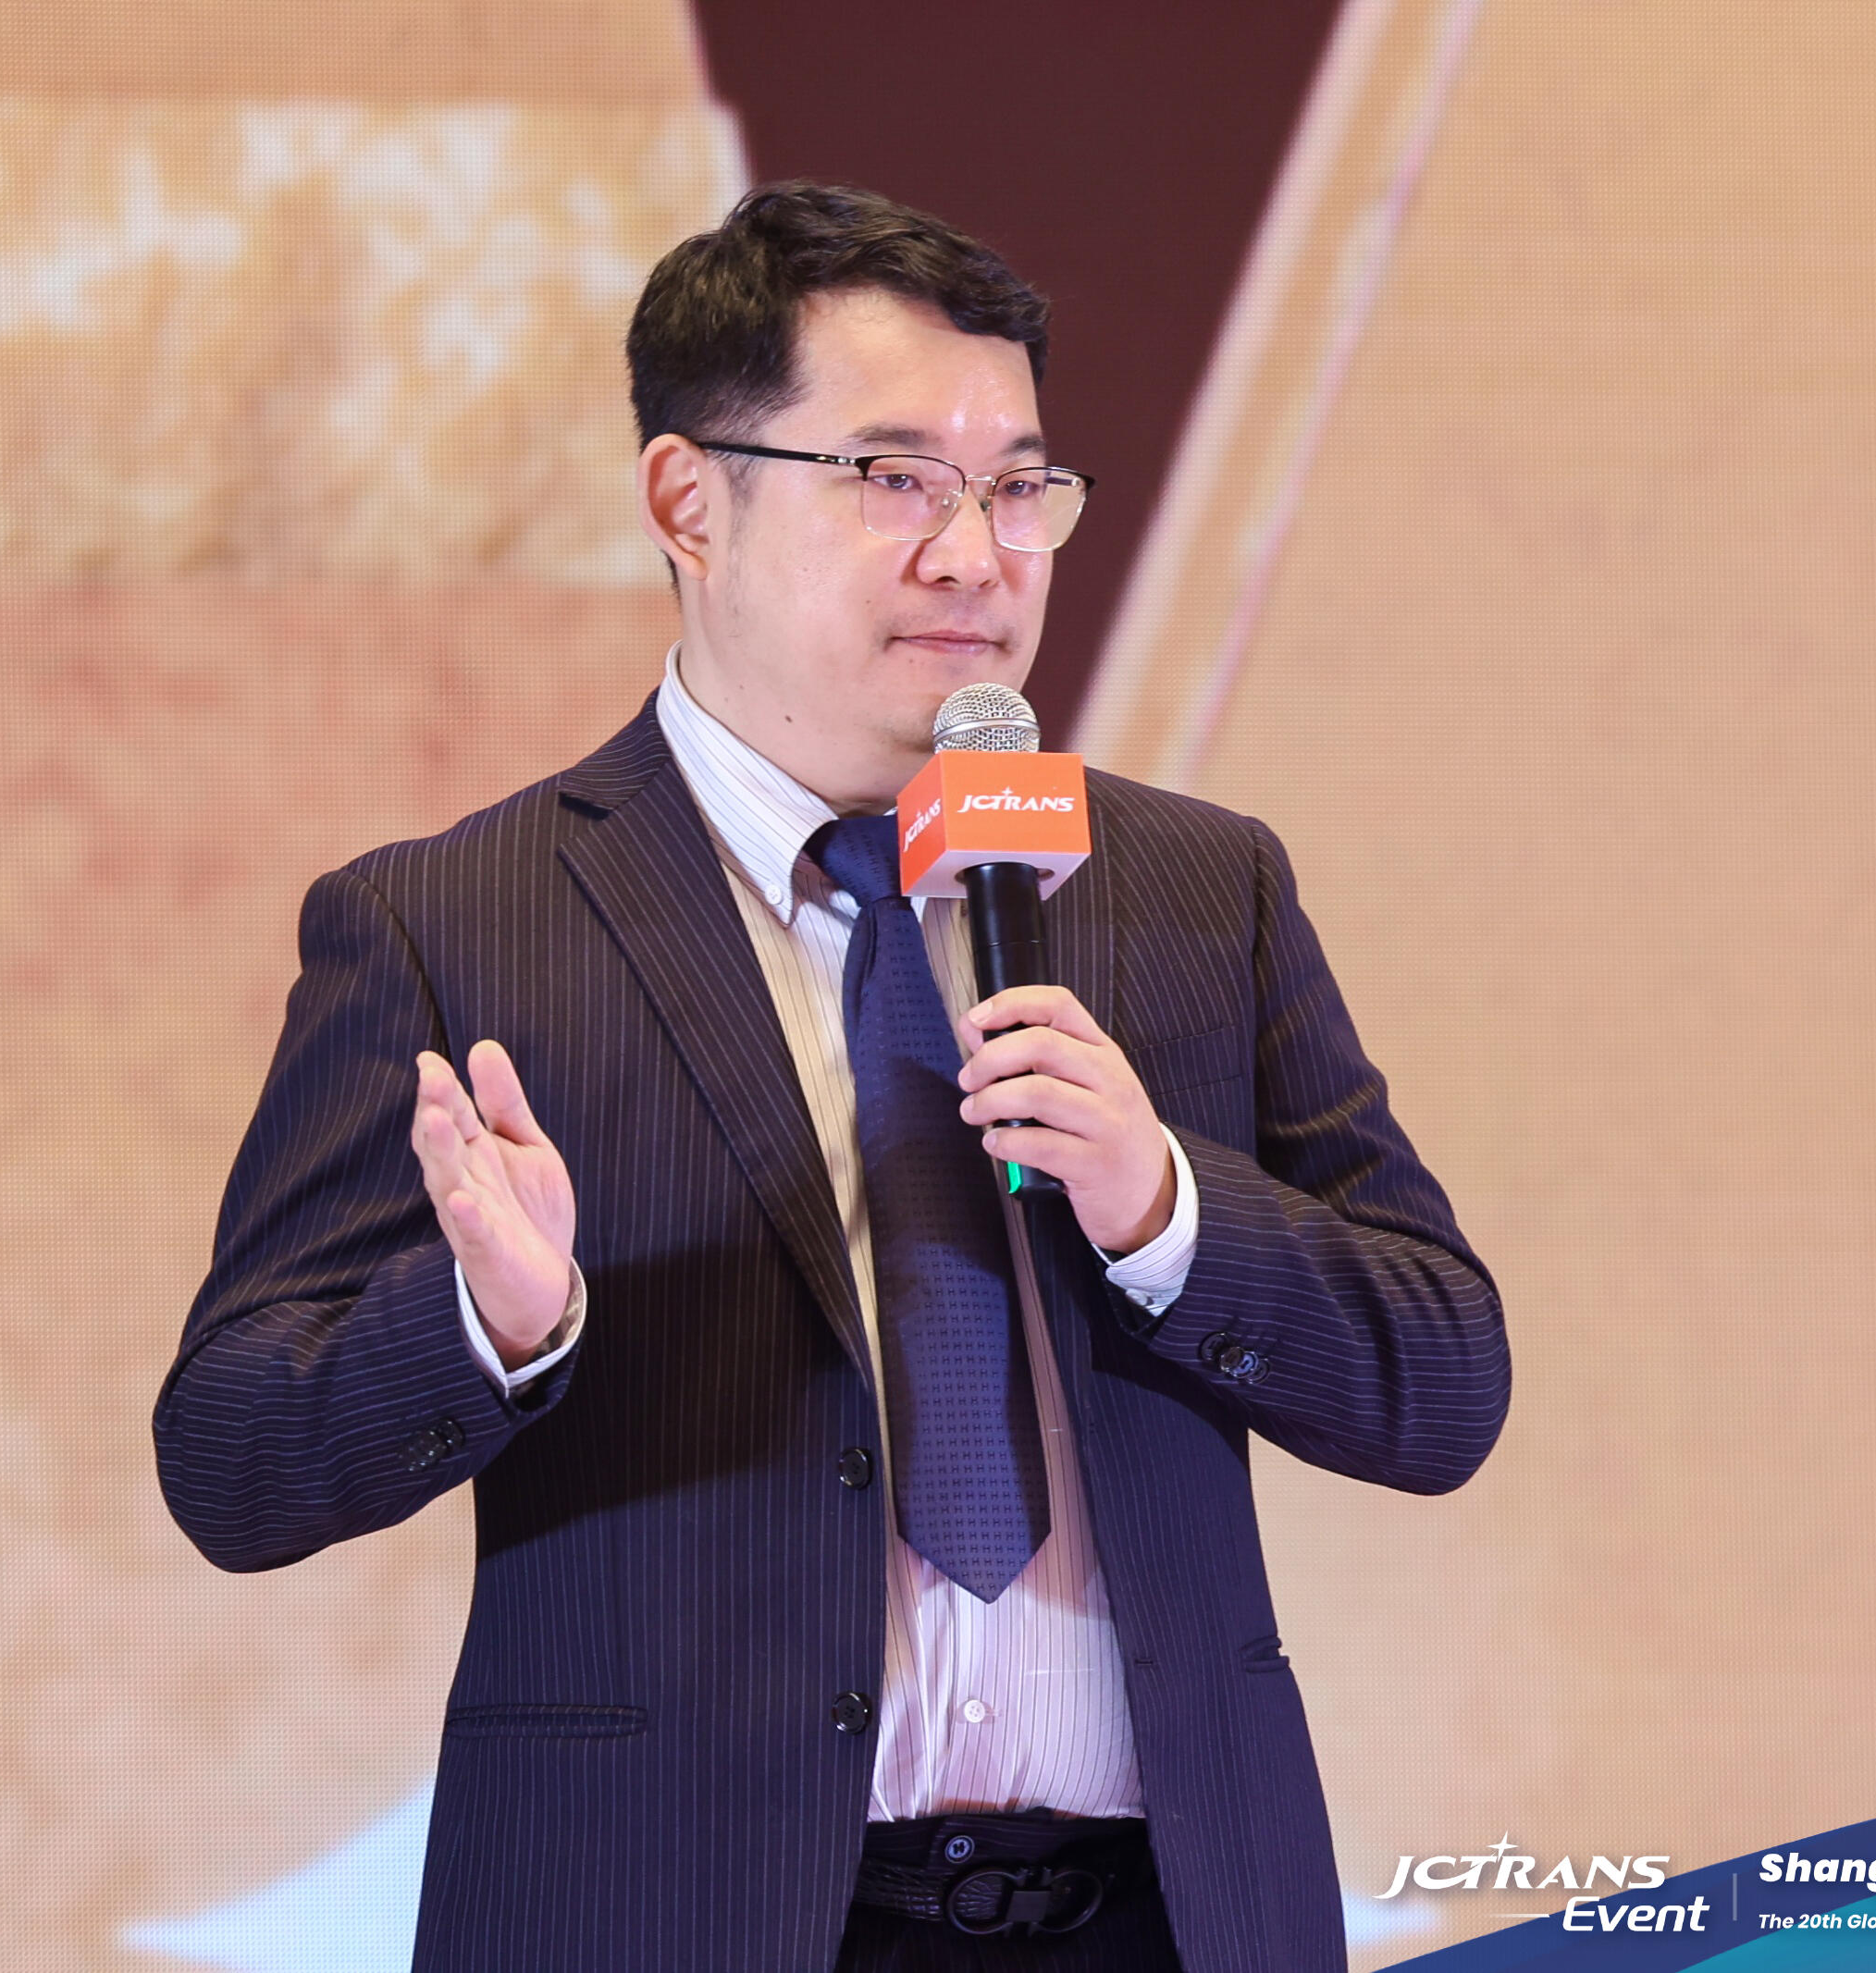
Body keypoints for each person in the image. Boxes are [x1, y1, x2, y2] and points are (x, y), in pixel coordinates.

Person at [154, 181, 1509, 1973]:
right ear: (687, 501)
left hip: (1163, 1922)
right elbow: (234, 1461)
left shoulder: (1192, 888)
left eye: (1018, 485)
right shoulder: (455, 922)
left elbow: (1440, 1384)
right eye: (894, 478)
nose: (976, 555)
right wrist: (488, 1324)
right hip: (673, 1922)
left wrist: (1169, 1210)